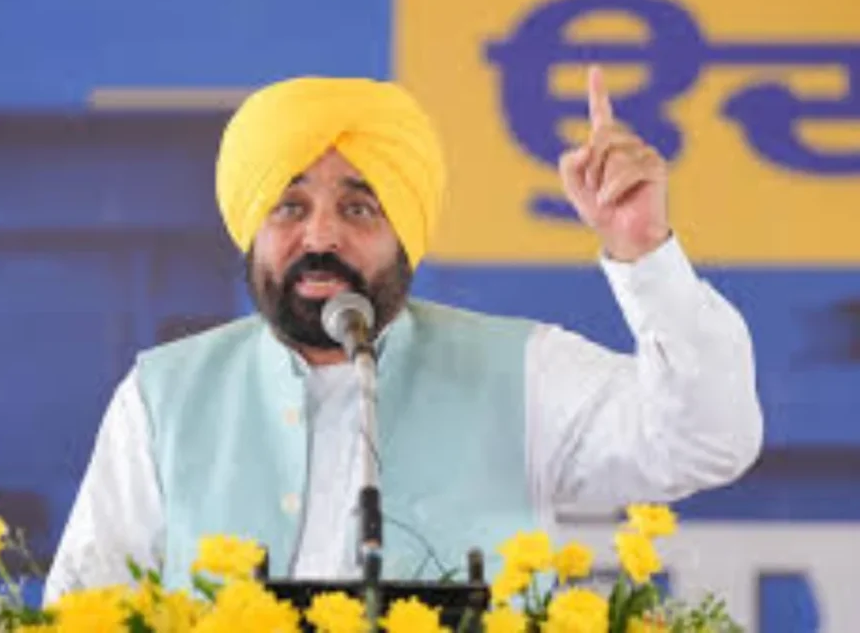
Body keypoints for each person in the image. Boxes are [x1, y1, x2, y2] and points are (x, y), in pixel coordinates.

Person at [43, 69, 763, 601]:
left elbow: (707, 440)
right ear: (251, 228)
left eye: (358, 208)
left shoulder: (522, 372)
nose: (320, 235)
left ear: (405, 237)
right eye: (289, 206)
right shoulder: (164, 396)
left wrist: (645, 251)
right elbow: (83, 604)